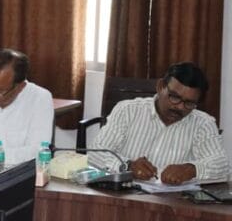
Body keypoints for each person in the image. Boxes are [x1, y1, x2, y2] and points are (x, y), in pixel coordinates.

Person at [89, 62, 229, 184]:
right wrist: (127, 166)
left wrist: (192, 169)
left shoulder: (203, 123)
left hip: (173, 202)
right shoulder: (128, 110)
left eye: (189, 103)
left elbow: (222, 165)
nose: (180, 107)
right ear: (161, 86)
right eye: (175, 97)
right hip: (124, 196)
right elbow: (95, 152)